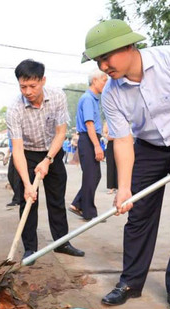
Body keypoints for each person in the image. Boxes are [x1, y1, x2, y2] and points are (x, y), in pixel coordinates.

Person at [82, 19, 170, 309]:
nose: (103, 66)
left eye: (106, 57)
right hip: (149, 149)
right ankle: (130, 282)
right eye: (98, 61)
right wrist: (124, 187)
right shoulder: (112, 94)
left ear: (128, 46)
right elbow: (124, 141)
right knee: (138, 215)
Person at [6, 59, 85, 264]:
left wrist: (48, 159)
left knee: (56, 199)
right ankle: (30, 248)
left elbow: (60, 133)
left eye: (33, 86)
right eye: (23, 87)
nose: (28, 91)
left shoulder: (57, 96)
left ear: (43, 80)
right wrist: (26, 183)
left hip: (53, 151)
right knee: (28, 201)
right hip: (27, 154)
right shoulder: (14, 109)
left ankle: (62, 242)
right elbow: (17, 149)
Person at [68, 69, 107, 221]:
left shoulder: (92, 99)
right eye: (104, 80)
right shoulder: (88, 99)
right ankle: (88, 212)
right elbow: (89, 124)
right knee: (91, 175)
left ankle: (78, 203)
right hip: (89, 139)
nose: (106, 83)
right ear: (95, 80)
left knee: (94, 175)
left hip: (89, 138)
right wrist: (97, 146)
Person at [4, 138, 22, 207]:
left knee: (16, 177)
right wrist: (7, 154)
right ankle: (19, 197)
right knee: (10, 175)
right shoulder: (9, 129)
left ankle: (17, 199)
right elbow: (11, 144)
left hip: (19, 152)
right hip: (13, 153)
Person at [103, 122, 118, 194]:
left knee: (119, 166)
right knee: (110, 166)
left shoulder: (120, 121)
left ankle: (118, 187)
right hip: (110, 144)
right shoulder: (107, 122)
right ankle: (111, 187)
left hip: (119, 144)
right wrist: (109, 136)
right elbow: (105, 133)